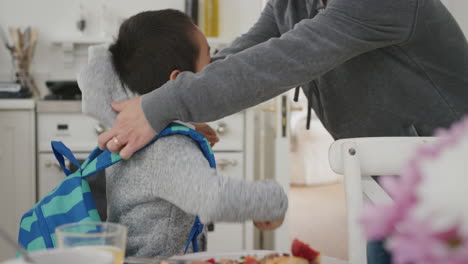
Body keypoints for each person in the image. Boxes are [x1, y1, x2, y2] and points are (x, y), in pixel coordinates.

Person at [84, 0, 468, 263]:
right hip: (386, 185)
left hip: (449, 178)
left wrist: (162, 105)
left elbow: (276, 63)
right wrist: (173, 107)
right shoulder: (290, 2)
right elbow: (244, 55)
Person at [77, 9, 287, 258]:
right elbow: (211, 198)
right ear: (179, 80)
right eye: (209, 57)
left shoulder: (137, 133)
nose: (214, 68)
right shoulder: (166, 147)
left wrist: (185, 128)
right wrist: (272, 200)